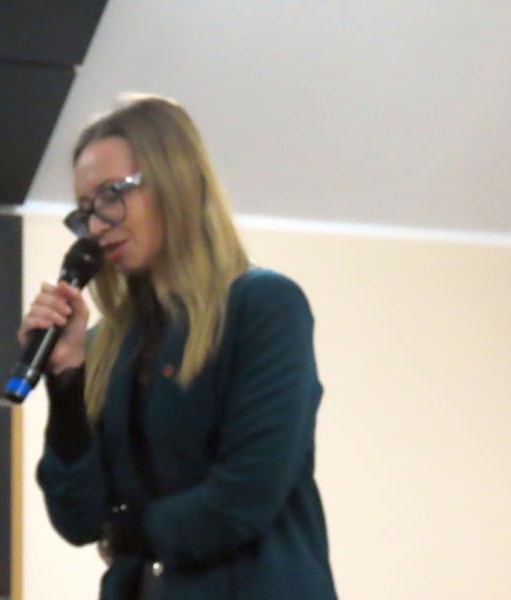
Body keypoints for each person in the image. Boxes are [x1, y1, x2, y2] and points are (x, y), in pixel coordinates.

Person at [18, 93, 337, 600]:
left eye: (110, 195)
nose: (96, 227)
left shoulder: (263, 305)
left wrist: (130, 531)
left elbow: (244, 496)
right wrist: (67, 380)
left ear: (176, 182)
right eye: (85, 211)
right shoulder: (105, 345)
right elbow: (77, 518)